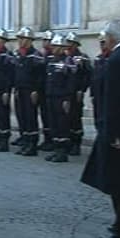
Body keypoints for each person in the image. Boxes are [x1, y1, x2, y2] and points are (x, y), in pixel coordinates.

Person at [81, 20, 120, 238]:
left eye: (104, 37)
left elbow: (117, 101)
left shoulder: (119, 59)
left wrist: (116, 134)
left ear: (111, 38)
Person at [43, 34, 77, 163]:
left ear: (63, 48)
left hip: (61, 98)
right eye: (53, 46)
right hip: (51, 96)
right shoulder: (51, 61)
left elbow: (71, 82)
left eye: (57, 47)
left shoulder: (68, 62)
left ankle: (62, 151)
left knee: (62, 124)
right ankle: (56, 149)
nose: (54, 49)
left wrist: (67, 99)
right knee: (53, 124)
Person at [12, 27, 45, 156]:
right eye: (19, 39)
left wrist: (36, 90)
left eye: (22, 39)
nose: (20, 41)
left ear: (29, 40)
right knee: (21, 116)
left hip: (30, 90)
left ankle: (32, 144)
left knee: (30, 116)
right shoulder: (19, 54)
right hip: (19, 89)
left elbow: (40, 75)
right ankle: (25, 141)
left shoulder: (35, 55)